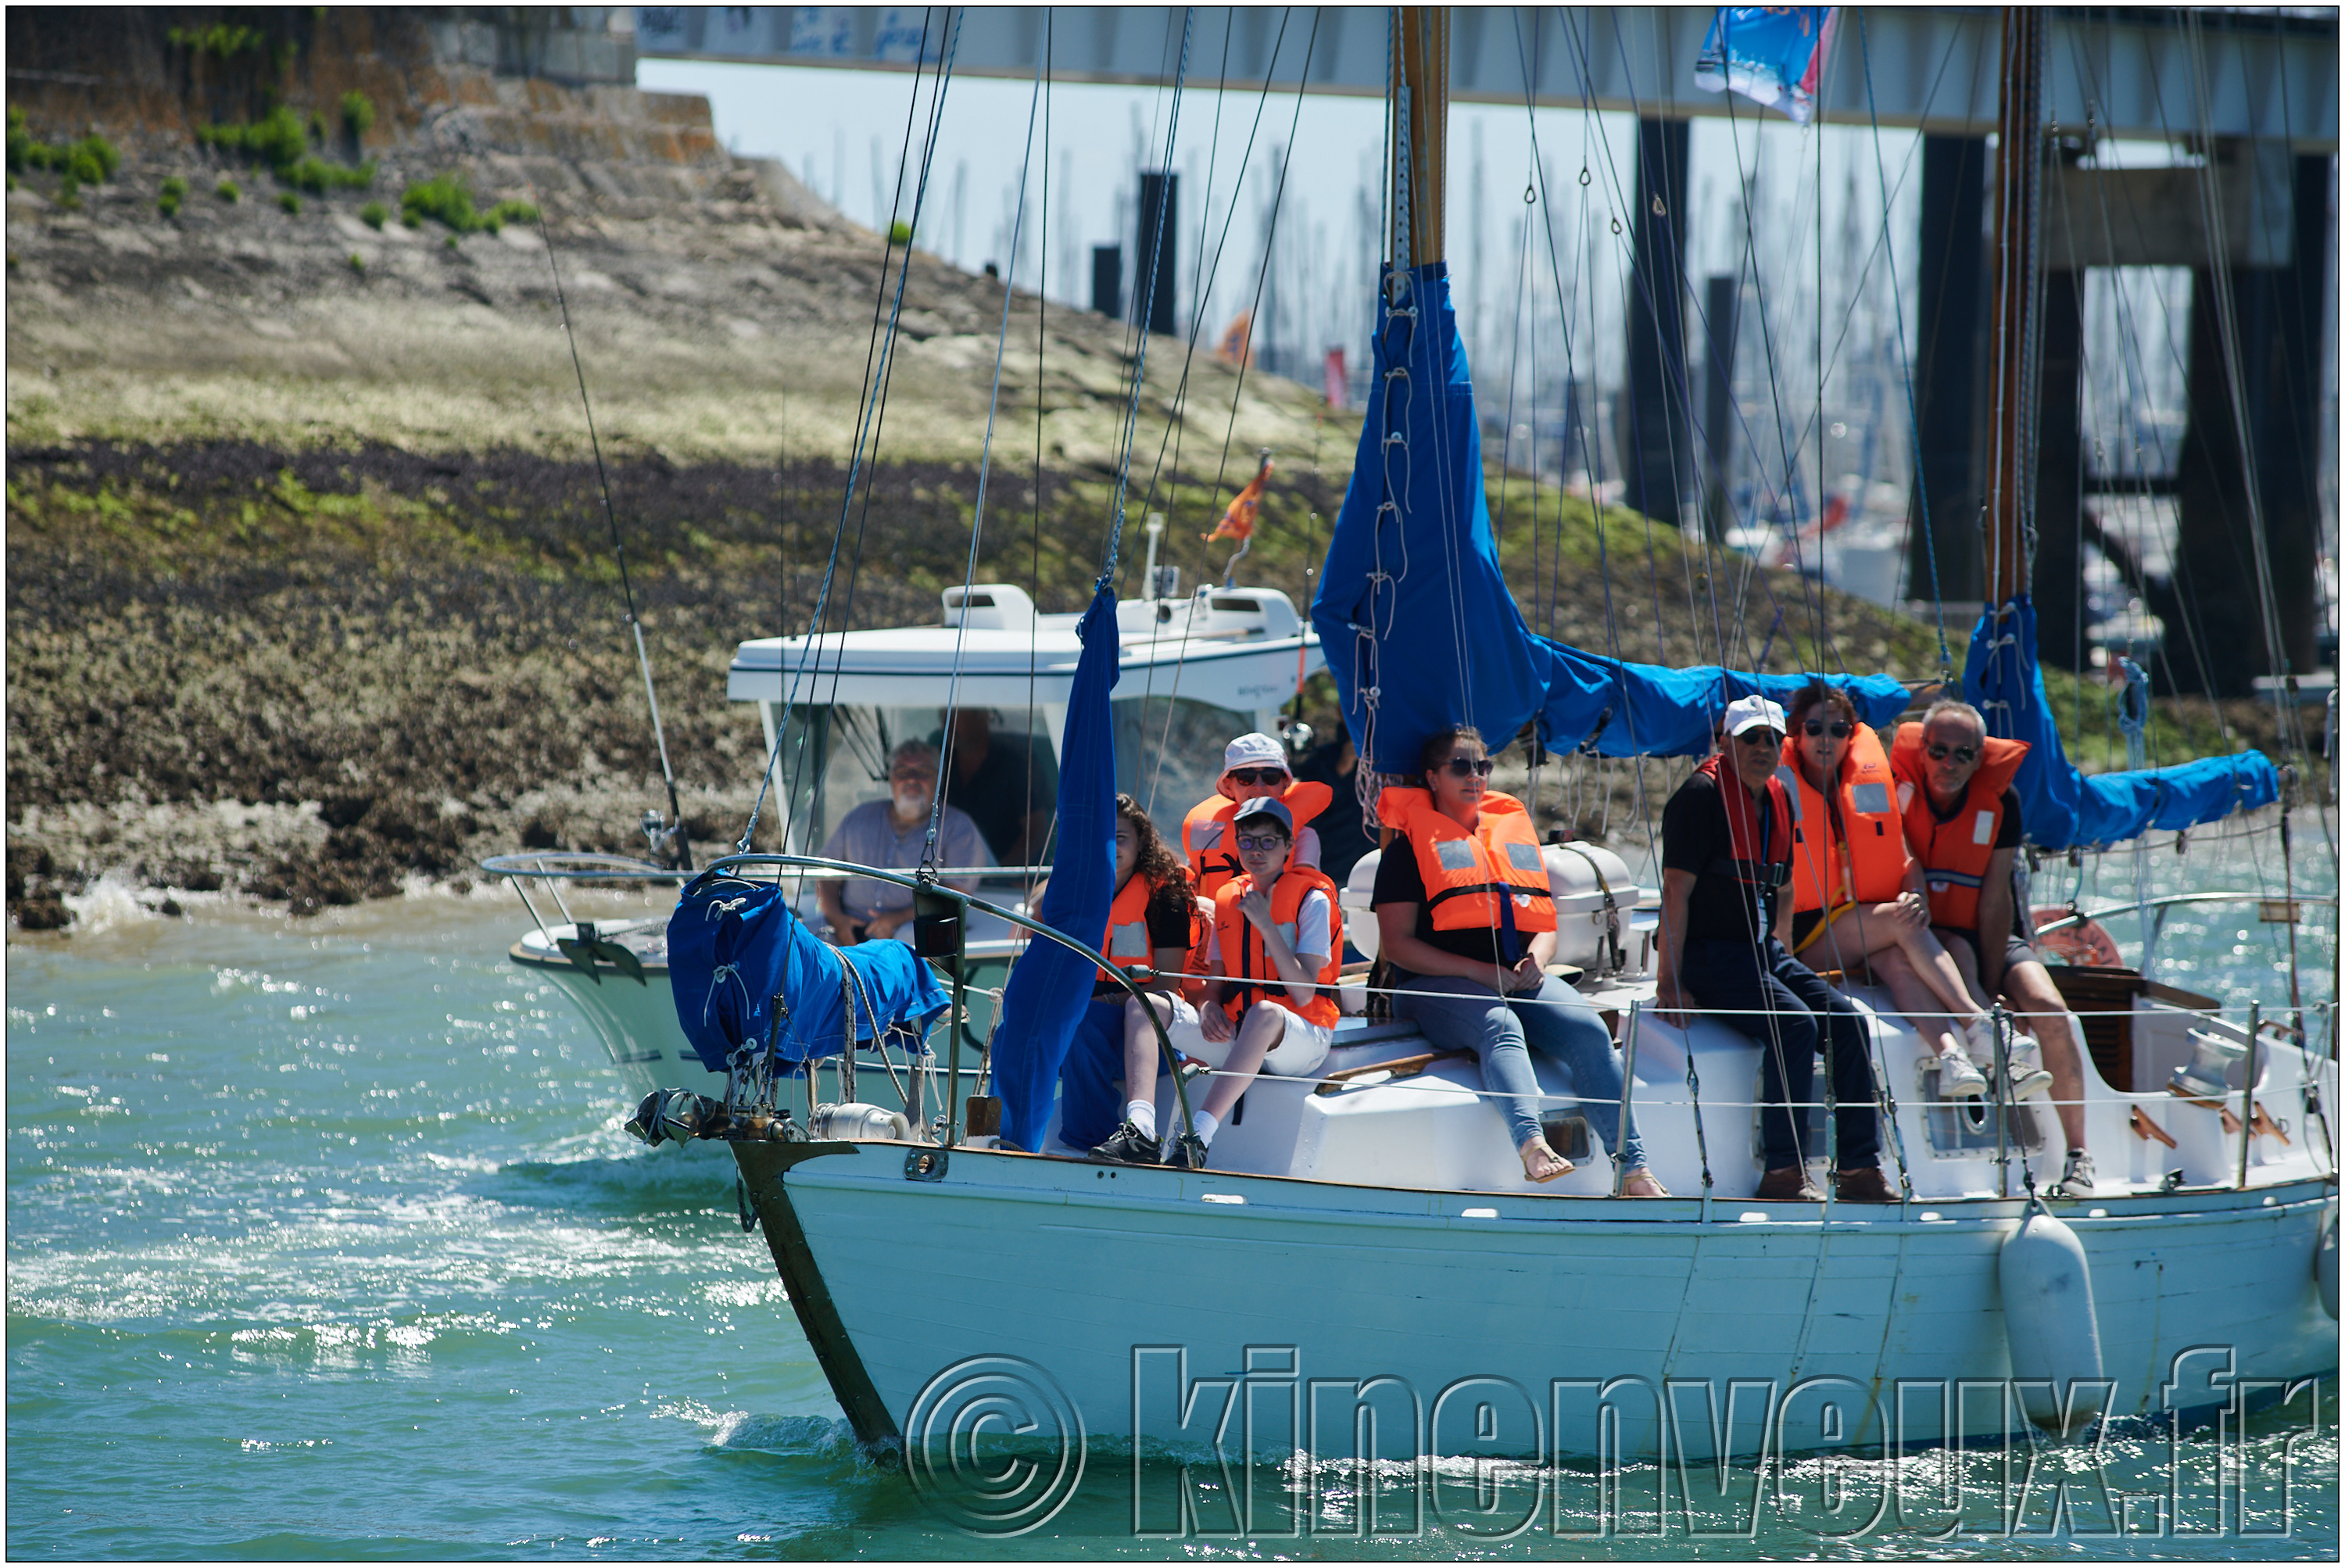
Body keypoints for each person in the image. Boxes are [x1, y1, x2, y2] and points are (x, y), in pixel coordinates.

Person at [1373, 725, 1662, 1193]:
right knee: (1500, 1024)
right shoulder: (1407, 853)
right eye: (1461, 766)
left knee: (1589, 1030)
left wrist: (1537, 960)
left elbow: (1544, 923)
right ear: (1431, 777)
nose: (1476, 776)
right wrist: (1478, 972)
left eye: (1483, 766)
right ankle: (1532, 1146)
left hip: (1515, 975)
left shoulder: (1509, 839)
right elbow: (1398, 946)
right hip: (1430, 985)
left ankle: (1633, 1168)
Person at [1654, 695, 1892, 1203]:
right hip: (1709, 953)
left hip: (1760, 952)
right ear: (1725, 743)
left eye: (1771, 738)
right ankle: (1783, 1172)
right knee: (1796, 1024)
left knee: (1847, 1023)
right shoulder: (1699, 797)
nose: (1763, 747)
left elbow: (1781, 886)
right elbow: (1675, 891)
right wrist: (1668, 981)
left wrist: (1781, 952)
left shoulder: (1778, 797)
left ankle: (1858, 1170)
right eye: (1750, 738)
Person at [1892, 700, 2096, 1198]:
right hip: (1923, 932)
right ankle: (2001, 1052)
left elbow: (1994, 900)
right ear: (1922, 751)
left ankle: (2078, 1156)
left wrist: (1990, 979)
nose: (1950, 764)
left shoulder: (2001, 803)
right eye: (1939, 751)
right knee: (1956, 956)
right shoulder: (1894, 792)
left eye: (1964, 754)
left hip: (1987, 933)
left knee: (2051, 1009)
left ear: (1980, 758)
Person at [1779, 681, 1999, 1097]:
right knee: (1900, 922)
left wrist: (1916, 895)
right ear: (1796, 732)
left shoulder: (1864, 787)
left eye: (1839, 730)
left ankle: (1953, 1057)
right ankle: (1975, 1020)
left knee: (1897, 958)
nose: (1828, 739)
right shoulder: (1778, 790)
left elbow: (1905, 859)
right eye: (1815, 728)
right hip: (1804, 939)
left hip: (1857, 928)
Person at [1176, 796, 1341, 1169]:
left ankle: (1198, 1135)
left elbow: (1302, 992)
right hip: (1239, 1031)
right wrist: (1208, 1007)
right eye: (1247, 840)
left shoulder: (1312, 900)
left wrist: (1266, 924)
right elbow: (1216, 983)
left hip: (1303, 1036)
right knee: (1151, 1007)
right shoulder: (1228, 898)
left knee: (1266, 1013)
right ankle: (1139, 1128)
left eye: (1269, 841)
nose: (1257, 850)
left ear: (1288, 847)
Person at [1060, 797, 1210, 1165]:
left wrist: (1100, 1005)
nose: (1110, 847)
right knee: (1014, 1031)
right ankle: (1005, 1140)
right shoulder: (1076, 893)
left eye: (1120, 837)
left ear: (1142, 841)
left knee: (1081, 1024)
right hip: (1089, 1022)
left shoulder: (1168, 897)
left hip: (1149, 1033)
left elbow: (1167, 988)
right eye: (1100, 838)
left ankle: (1091, 1143)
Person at [816, 740, 992, 943]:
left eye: (922, 772)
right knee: (795, 936)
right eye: (902, 772)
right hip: (847, 930)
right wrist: (838, 921)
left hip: (911, 931)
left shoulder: (959, 827)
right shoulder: (859, 818)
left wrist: (895, 920)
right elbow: (825, 875)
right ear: (891, 778)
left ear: (939, 778)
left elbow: (955, 897)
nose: (911, 779)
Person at [1182, 732, 1329, 901]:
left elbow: (1305, 897)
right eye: (1246, 777)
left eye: (1270, 777)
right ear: (1229, 786)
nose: (1259, 786)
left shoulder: (1303, 837)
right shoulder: (1207, 830)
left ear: (1283, 785)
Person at [936, 707, 1057, 868]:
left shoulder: (1016, 763)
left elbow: (1035, 833)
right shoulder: (936, 760)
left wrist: (997, 875)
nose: (946, 725)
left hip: (1004, 885)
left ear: (982, 716)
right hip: (943, 878)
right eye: (943, 716)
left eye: (953, 716)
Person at [1294, 732, 1377, 886]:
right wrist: (1340, 770)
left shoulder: (1387, 755)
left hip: (1379, 869)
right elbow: (1309, 814)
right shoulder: (1320, 758)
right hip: (1335, 872)